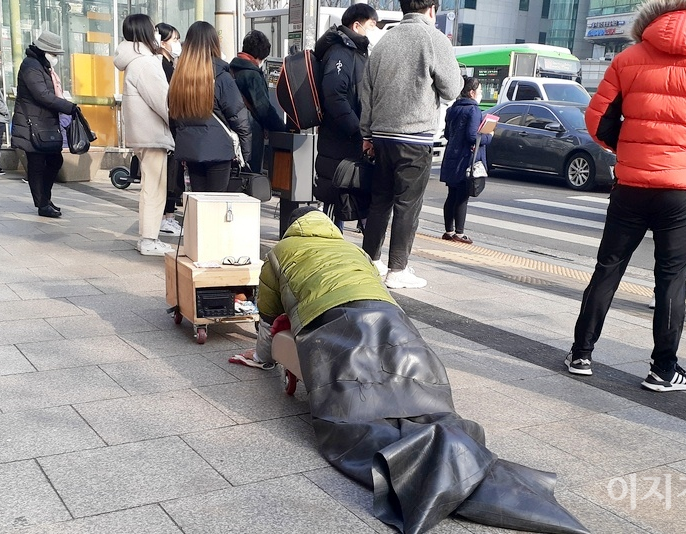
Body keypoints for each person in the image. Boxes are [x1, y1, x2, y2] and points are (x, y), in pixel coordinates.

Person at [238, 206, 589, 534]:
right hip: (391, 318)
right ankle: (458, 452)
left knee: (357, 418)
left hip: (331, 322)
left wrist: (262, 357)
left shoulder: (280, 252)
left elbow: (267, 316)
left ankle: (433, 466)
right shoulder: (352, 249)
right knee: (424, 405)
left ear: (291, 230)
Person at [566, 0, 686, 392]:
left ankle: (581, 354)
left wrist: (630, 150)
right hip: (681, 192)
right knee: (670, 279)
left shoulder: (629, 56)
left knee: (608, 268)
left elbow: (598, 120)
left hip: (630, 185)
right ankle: (663, 370)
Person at [360, 0, 462, 289]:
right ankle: (397, 269)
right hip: (414, 136)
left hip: (381, 136)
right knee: (408, 204)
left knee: (380, 201)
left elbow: (365, 92)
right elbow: (452, 88)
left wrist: (367, 135)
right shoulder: (434, 38)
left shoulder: (384, 40)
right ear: (432, 9)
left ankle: (370, 260)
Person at [311, 4, 378, 233]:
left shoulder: (355, 51)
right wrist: (358, 129)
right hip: (339, 140)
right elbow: (334, 95)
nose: (373, 32)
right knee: (335, 198)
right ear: (356, 25)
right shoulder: (340, 51)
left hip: (347, 141)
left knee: (347, 198)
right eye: (371, 26)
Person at [114, 14, 175, 257]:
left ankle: (149, 237)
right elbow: (164, 102)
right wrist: (179, 124)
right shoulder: (146, 63)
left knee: (152, 185)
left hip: (142, 134)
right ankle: (149, 239)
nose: (157, 34)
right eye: (153, 29)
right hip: (152, 134)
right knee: (154, 187)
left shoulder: (133, 61)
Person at [170, 21, 252, 193]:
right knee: (216, 203)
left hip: (191, 149)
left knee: (198, 201)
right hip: (219, 149)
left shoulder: (179, 78)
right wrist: (245, 153)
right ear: (214, 43)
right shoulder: (221, 77)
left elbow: (173, 115)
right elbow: (239, 117)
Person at [11, 29, 78, 218]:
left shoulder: (42, 65)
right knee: (37, 165)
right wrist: (68, 106)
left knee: (55, 161)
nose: (56, 58)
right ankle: (42, 203)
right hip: (33, 124)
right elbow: (42, 95)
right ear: (45, 51)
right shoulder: (31, 66)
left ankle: (45, 199)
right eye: (55, 54)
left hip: (45, 123)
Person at [439, 76, 492, 245]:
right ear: (472, 92)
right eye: (480, 90)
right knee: (462, 196)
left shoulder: (453, 108)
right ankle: (459, 233)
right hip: (465, 158)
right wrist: (488, 136)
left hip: (451, 156)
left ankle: (449, 230)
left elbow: (447, 134)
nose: (481, 94)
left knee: (452, 194)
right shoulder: (473, 110)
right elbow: (472, 137)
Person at [229, 30, 286, 174]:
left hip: (233, 128)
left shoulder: (231, 69)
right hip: (251, 131)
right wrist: (282, 128)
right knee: (250, 174)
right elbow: (263, 108)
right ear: (259, 56)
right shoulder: (252, 74)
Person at [156, 22, 184, 237]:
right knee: (169, 175)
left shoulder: (171, 64)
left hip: (172, 128)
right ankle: (166, 217)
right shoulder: (160, 67)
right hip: (167, 128)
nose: (177, 44)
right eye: (174, 39)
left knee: (174, 174)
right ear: (162, 42)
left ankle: (169, 216)